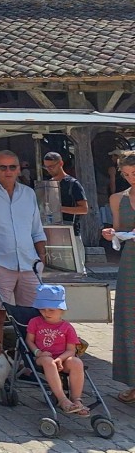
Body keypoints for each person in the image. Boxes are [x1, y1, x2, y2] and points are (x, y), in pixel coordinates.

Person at [0, 149, 47, 357]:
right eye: (3, 167)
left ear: (19, 169)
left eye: (12, 167)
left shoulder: (28, 194)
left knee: (32, 316)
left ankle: (29, 363)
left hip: (29, 263)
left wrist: (42, 257)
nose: (8, 171)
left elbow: (37, 230)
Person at [26, 283, 88, 416]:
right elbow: (29, 340)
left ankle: (76, 399)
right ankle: (62, 399)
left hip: (62, 357)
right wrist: (38, 352)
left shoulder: (67, 327)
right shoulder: (35, 322)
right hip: (42, 357)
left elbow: (71, 350)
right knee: (48, 361)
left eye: (51, 310)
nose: (46, 313)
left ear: (62, 310)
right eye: (42, 309)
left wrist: (60, 359)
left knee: (77, 363)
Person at [102, 153, 135, 404]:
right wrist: (110, 233)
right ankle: (133, 383)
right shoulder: (117, 199)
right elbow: (119, 230)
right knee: (129, 320)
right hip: (129, 264)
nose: (130, 178)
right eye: (126, 174)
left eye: (133, 172)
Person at [42, 152, 89, 274]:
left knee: (76, 268)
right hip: (52, 232)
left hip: (71, 231)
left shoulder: (73, 184)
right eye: (46, 167)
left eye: (51, 166)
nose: (49, 169)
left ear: (61, 163)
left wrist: (59, 208)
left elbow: (84, 209)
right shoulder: (47, 184)